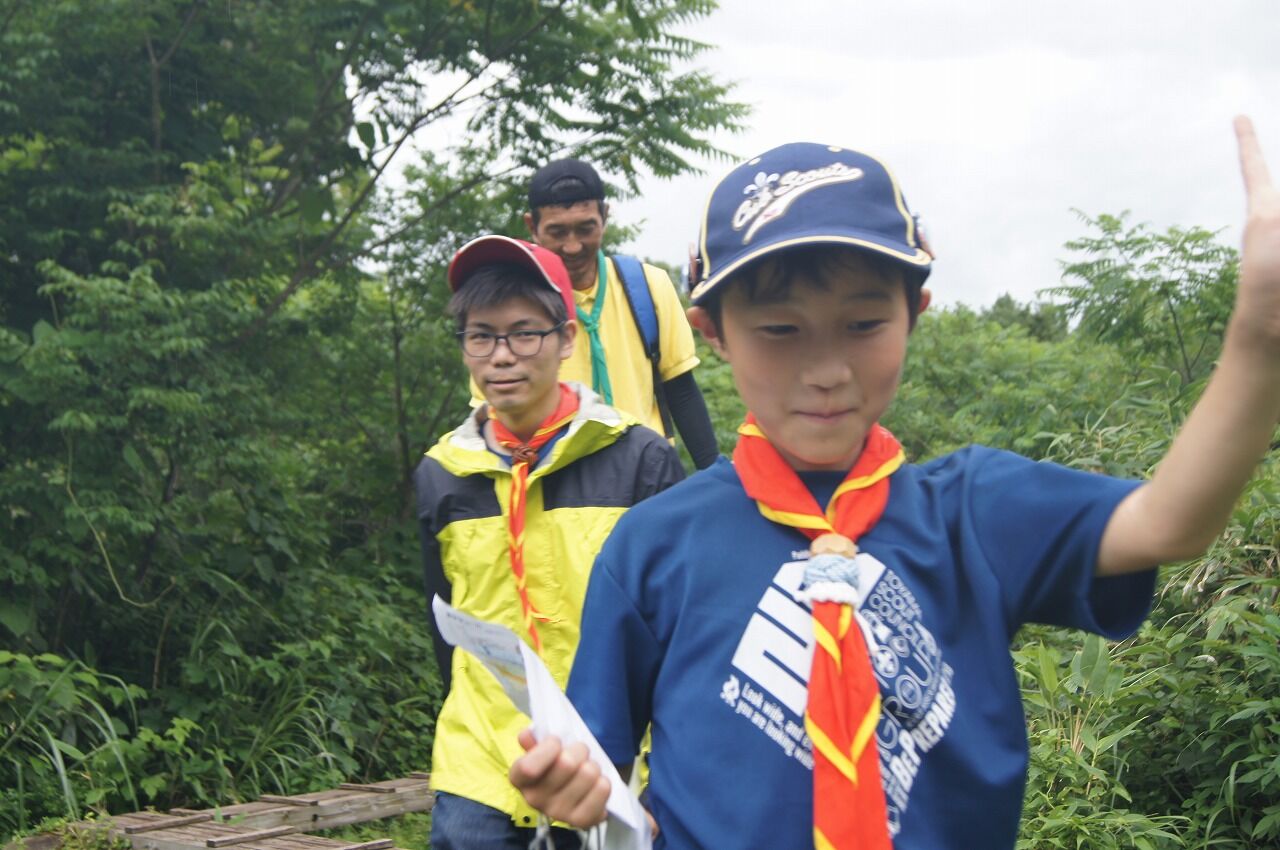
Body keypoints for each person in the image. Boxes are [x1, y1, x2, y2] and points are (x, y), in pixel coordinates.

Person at [507, 117, 1280, 849]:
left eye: (863, 324)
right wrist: (576, 791)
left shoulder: (975, 512)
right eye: (779, 329)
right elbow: (595, 767)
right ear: (712, 333)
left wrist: (1257, 343)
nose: (826, 369)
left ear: (916, 313)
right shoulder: (652, 545)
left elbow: (1170, 522)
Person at [415, 235, 685, 850]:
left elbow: (678, 632)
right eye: (481, 336)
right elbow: (444, 621)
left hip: (608, 753)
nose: (501, 356)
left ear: (566, 339)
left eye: (523, 334)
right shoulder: (442, 472)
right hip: (482, 755)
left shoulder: (638, 460)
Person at [518, 157, 719, 469]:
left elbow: (681, 391)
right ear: (532, 226)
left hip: (649, 476)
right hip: (558, 482)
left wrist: (716, 476)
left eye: (586, 229)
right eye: (557, 232)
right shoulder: (518, 306)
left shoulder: (648, 286)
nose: (573, 246)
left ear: (605, 216)